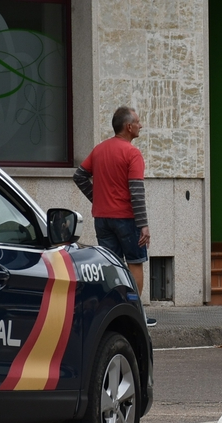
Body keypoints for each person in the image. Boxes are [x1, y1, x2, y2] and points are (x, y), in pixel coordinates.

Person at [73, 106, 156, 327]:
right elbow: (137, 193)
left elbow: (79, 176)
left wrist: (97, 199)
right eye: (138, 122)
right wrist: (144, 225)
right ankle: (136, 314)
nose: (141, 125)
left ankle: (110, 313)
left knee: (111, 266)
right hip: (127, 220)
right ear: (129, 127)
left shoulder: (99, 150)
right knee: (135, 263)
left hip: (102, 218)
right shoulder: (132, 153)